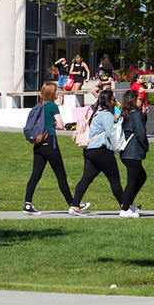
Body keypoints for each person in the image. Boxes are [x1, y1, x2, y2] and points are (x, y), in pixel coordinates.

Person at [69, 90, 126, 216]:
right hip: (102, 150)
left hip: (90, 150)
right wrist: (117, 120)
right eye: (113, 100)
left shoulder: (96, 112)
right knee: (114, 180)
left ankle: (75, 205)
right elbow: (112, 133)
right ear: (108, 101)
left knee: (86, 179)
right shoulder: (106, 115)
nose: (115, 102)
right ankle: (125, 207)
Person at [24, 82, 77, 214]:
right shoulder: (52, 106)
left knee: (35, 176)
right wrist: (56, 124)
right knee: (61, 176)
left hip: (38, 143)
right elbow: (60, 124)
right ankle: (73, 204)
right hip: (50, 142)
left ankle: (27, 203)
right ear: (52, 94)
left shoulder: (39, 106)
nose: (58, 93)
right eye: (56, 91)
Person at [119, 91, 149, 218]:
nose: (141, 102)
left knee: (141, 177)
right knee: (132, 181)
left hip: (127, 153)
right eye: (139, 100)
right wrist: (145, 147)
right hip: (133, 152)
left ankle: (129, 202)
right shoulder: (135, 114)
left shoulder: (126, 114)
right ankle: (125, 208)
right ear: (133, 101)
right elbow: (140, 133)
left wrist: (144, 116)